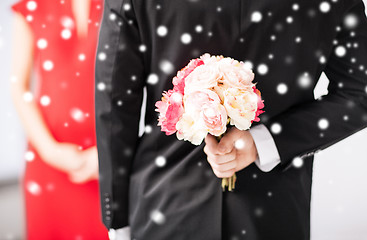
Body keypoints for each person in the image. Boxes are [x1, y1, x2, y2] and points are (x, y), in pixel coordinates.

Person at [95, 0, 367, 239]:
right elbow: (360, 94)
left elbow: (114, 103)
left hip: (165, 205)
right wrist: (266, 142)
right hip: (274, 213)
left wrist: (117, 219)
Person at [10, 0, 108, 239]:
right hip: (49, 156)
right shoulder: (31, 7)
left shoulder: (120, 4)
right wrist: (50, 150)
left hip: (107, 153)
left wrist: (111, 154)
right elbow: (18, 88)